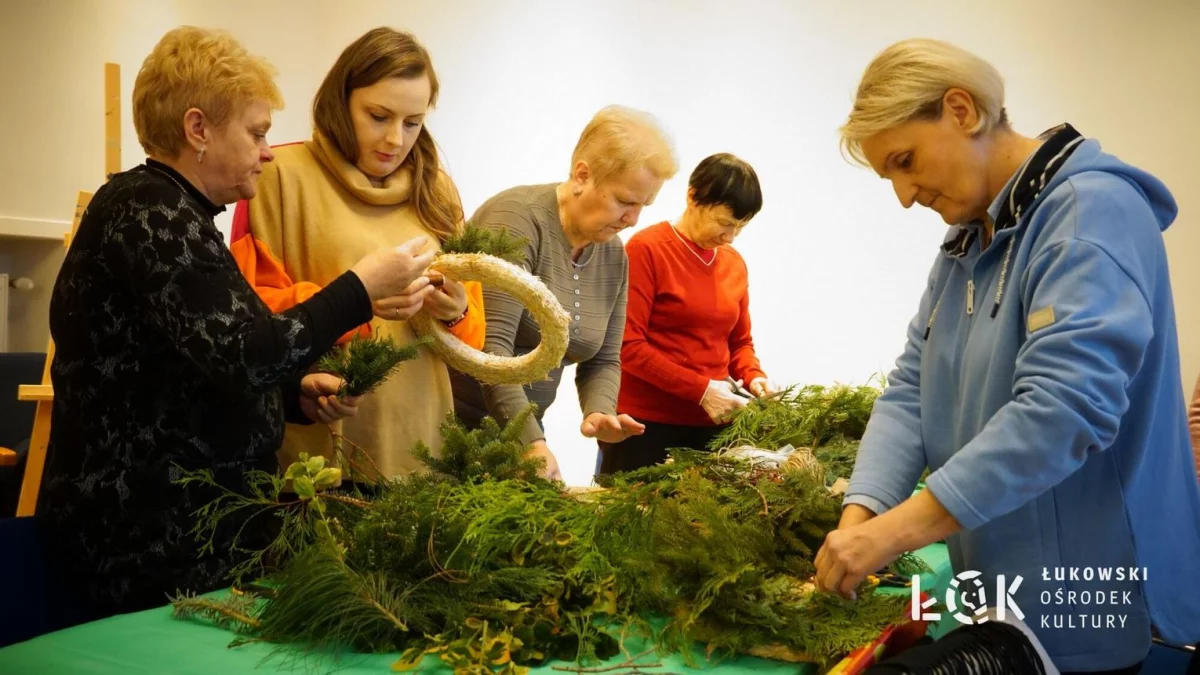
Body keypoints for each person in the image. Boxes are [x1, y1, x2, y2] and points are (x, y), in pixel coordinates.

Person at [814, 38, 1200, 673]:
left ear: (961, 110)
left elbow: (1064, 411)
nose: (905, 195)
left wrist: (896, 532)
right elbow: (912, 388)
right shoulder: (966, 241)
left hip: (1087, 609)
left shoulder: (1089, 213)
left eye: (906, 161)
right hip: (999, 599)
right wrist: (861, 518)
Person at [37, 26, 434, 622]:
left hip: (190, 540)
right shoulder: (147, 211)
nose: (268, 151)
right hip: (142, 549)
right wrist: (359, 290)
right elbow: (247, 352)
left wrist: (290, 394)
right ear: (198, 129)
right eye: (256, 132)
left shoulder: (180, 215)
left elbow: (200, 362)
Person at [230, 28, 486, 480]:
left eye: (413, 123)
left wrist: (454, 310)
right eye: (378, 116)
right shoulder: (278, 176)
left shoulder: (438, 191)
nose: (394, 139)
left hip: (421, 446)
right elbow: (251, 317)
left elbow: (473, 340)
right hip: (320, 445)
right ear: (340, 100)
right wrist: (357, 300)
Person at [451, 105, 678, 480]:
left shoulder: (613, 254)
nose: (634, 219)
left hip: (518, 438)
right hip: (453, 435)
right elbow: (491, 354)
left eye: (644, 205)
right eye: (624, 201)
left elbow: (604, 358)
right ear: (582, 175)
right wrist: (532, 443)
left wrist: (599, 411)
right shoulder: (515, 221)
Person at [597, 153, 776, 475]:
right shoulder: (646, 250)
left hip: (715, 426)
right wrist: (702, 391)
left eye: (740, 227)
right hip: (644, 426)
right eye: (723, 223)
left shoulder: (733, 262)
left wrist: (754, 377)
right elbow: (628, 347)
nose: (730, 237)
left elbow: (739, 343)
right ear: (693, 196)